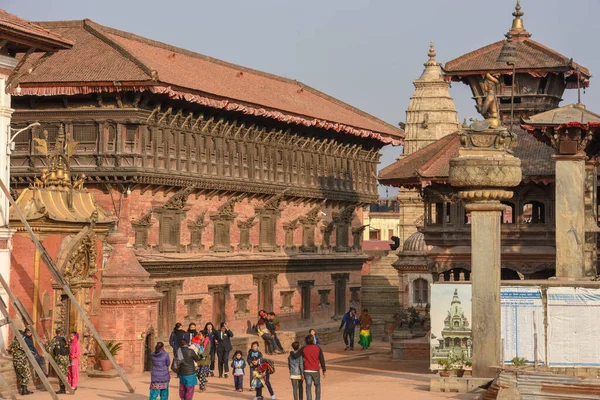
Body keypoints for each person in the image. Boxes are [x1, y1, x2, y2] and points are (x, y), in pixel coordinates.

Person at [290, 335, 326, 400]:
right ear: (313, 340)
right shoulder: (318, 348)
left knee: (308, 387)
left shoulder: (304, 348)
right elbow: (322, 359)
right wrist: (324, 370)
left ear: (306, 341)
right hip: (315, 370)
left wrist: (291, 352)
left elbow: (295, 356)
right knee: (317, 385)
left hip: (307, 370)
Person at [47, 327, 70, 394]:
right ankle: (63, 388)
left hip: (60, 358)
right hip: (66, 358)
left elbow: (49, 349)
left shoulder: (55, 339)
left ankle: (62, 389)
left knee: (60, 374)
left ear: (56, 332)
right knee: (64, 373)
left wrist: (45, 346)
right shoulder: (66, 339)